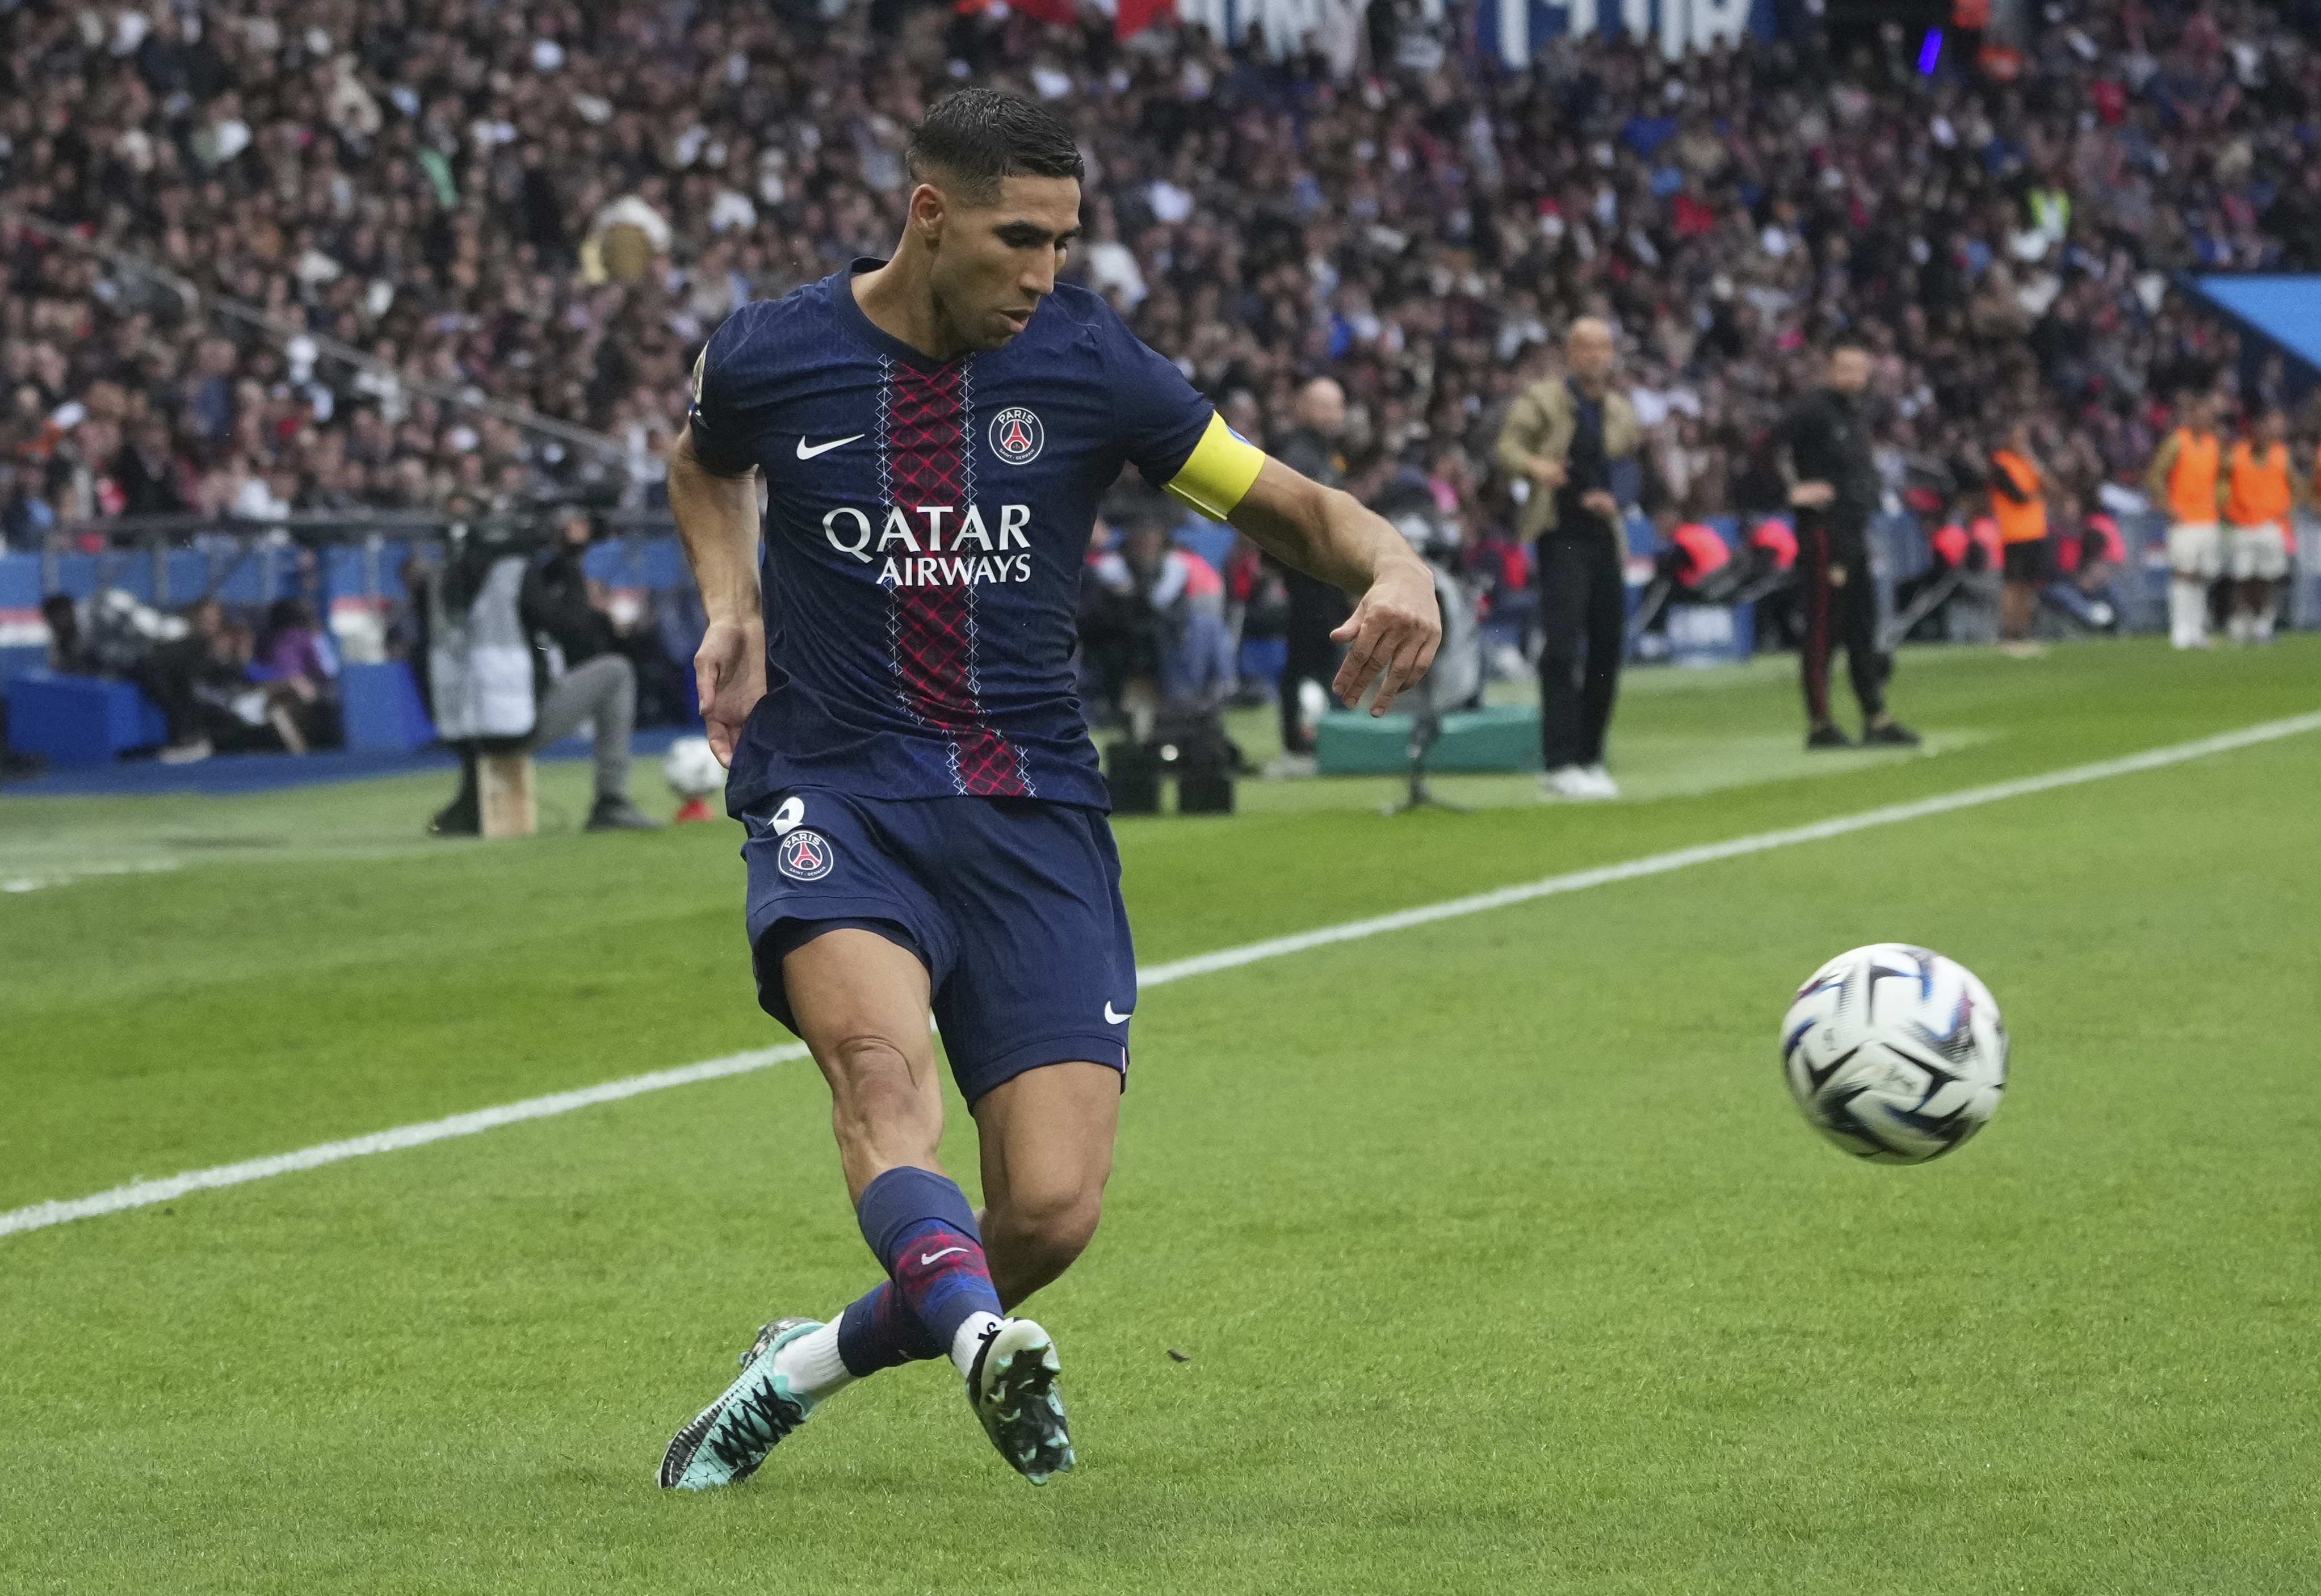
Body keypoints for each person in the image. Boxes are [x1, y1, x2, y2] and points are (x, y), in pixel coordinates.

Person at [656, 90, 1438, 1492]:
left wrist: (1396, 563)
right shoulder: (772, 351)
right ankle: (978, 1355)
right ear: (929, 213)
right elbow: (702, 466)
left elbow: (1289, 505)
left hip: (1031, 811)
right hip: (835, 790)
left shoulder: (1092, 366)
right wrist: (733, 605)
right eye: (1020, 239)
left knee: (1051, 1210)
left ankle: (806, 1360)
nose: (1045, 272)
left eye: (1065, 241)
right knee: (885, 1082)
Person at [1492, 317, 1639, 799]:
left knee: (1606, 647)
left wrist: (1615, 499)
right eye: (1585, 347)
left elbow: (1630, 466)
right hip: (1560, 533)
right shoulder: (1543, 400)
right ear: (1570, 353)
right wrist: (1537, 466)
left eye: (1603, 347)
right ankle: (1559, 760)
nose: (1595, 356)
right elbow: (1508, 446)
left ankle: (1590, 755)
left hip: (1604, 536)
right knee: (1560, 647)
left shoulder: (1618, 408)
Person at [1774, 339, 1920, 750]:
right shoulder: (1812, 409)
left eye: (1859, 369)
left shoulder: (1856, 412)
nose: (1853, 377)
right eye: (1845, 369)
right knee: (1824, 627)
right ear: (1831, 371)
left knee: (1862, 624)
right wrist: (1790, 490)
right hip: (1824, 531)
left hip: (1854, 529)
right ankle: (1820, 724)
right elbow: (1765, 445)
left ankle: (1875, 716)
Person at [1267, 376, 1357, 772]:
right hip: (1307, 573)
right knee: (1306, 659)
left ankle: (1315, 739)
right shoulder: (1298, 453)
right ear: (1303, 407)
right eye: (1325, 406)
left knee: (1319, 659)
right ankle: (1296, 745)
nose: (1334, 415)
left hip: (1324, 573)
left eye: (1337, 406)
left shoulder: (1323, 454)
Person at [2142, 392, 2223, 650]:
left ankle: (2197, 630)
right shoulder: (2177, 442)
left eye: (2209, 414)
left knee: (2202, 575)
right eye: (2201, 413)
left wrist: (2220, 501)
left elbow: (2221, 478)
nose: (2206, 418)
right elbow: (2154, 475)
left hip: (2208, 518)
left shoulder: (2213, 444)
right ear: (2190, 416)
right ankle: (2180, 631)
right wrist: (2169, 507)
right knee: (2183, 573)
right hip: (2185, 520)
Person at [2221, 406, 2294, 645]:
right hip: (2243, 524)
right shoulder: (2236, 454)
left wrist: (2288, 509)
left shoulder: (2281, 455)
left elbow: (2294, 483)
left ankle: (2263, 623)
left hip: (2271, 524)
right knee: (2242, 577)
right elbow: (2221, 480)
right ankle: (2240, 621)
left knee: (2268, 577)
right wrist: (2224, 506)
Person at [1988, 421, 2049, 652]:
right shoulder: (2001, 464)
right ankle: (2008, 633)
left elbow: (2050, 487)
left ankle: (2022, 633)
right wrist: (2037, 495)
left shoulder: (2028, 463)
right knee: (2013, 584)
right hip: (2014, 533)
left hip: (2035, 531)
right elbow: (2020, 496)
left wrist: (2033, 461)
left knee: (2027, 585)